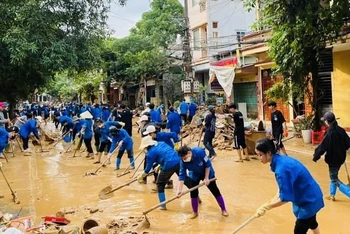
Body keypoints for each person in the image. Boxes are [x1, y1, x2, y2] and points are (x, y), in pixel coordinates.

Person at [254, 138, 324, 234]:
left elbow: (285, 198)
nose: (259, 158)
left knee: (299, 230)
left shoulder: (281, 170)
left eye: (260, 155)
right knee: (312, 222)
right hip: (311, 194)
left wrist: (266, 206)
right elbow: (286, 185)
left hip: (309, 200)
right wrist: (277, 195)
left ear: (269, 153)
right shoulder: (282, 159)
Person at [176, 146, 229, 219]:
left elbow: (207, 165)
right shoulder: (182, 161)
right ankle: (195, 212)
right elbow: (182, 175)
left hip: (207, 172)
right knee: (193, 192)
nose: (184, 160)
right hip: (195, 173)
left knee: (215, 191)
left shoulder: (199, 152)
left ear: (189, 153)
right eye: (182, 159)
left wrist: (206, 178)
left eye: (185, 158)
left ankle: (223, 209)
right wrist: (179, 190)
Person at [137, 136, 188, 210]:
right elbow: (167, 153)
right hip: (178, 160)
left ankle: (162, 205)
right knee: (185, 179)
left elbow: (147, 169)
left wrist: (141, 176)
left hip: (169, 164)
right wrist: (159, 165)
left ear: (146, 147)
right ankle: (196, 196)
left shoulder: (150, 154)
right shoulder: (161, 143)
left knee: (160, 184)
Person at [313, 111, 350, 200]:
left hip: (333, 159)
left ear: (327, 121)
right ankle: (332, 194)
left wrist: (316, 155)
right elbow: (348, 143)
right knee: (333, 175)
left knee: (334, 178)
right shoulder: (341, 130)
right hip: (341, 158)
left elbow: (323, 146)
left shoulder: (329, 132)